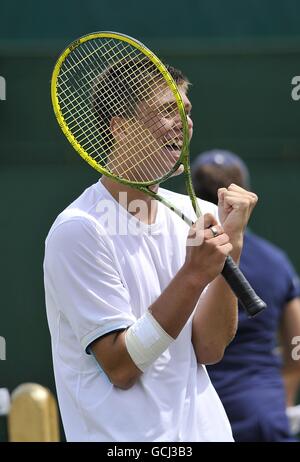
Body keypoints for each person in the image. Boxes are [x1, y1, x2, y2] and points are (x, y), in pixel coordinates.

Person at [43, 62, 258, 442]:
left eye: (186, 112)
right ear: (120, 124)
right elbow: (122, 366)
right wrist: (193, 276)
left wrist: (232, 246)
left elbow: (209, 348)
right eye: (166, 111)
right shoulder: (79, 230)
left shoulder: (197, 215)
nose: (183, 124)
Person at [192, 149, 300, 442]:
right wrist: (282, 395)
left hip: (194, 416)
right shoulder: (276, 262)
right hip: (259, 415)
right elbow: (297, 343)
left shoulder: (176, 255)